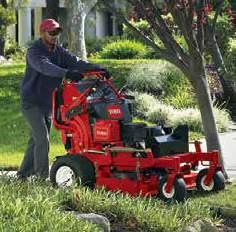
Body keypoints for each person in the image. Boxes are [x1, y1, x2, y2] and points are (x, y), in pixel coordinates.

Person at [17, 18, 110, 180]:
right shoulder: (34, 51)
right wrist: (66, 73)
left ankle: (23, 175)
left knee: (36, 140)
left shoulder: (59, 51)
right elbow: (44, 66)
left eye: (57, 32)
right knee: (42, 138)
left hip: (48, 104)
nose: (54, 36)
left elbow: (76, 62)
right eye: (51, 32)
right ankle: (41, 177)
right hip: (31, 102)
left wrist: (98, 68)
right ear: (42, 33)